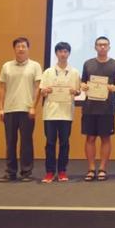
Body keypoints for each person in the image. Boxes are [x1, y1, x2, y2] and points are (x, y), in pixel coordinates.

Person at [0, 37, 42, 182]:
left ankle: (26, 172)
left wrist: (33, 107)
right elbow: (2, 88)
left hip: (27, 109)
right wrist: (1, 108)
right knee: (10, 142)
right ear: (14, 49)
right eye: (18, 46)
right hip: (9, 109)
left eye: (24, 46)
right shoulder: (6, 66)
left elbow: (38, 88)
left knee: (26, 142)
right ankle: (10, 172)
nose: (21, 49)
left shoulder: (35, 66)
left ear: (28, 49)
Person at [80, 36, 115, 182]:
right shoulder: (88, 64)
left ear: (109, 47)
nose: (102, 47)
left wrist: (114, 88)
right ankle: (91, 169)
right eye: (99, 45)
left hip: (107, 107)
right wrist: (83, 86)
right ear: (95, 47)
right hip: (89, 107)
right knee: (90, 138)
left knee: (105, 138)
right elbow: (83, 82)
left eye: (105, 45)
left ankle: (103, 168)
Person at [39, 42, 81, 183]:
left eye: (65, 51)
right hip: (50, 113)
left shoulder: (74, 72)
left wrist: (76, 92)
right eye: (60, 51)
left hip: (66, 113)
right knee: (50, 143)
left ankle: (62, 171)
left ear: (69, 53)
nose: (63, 54)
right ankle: (50, 172)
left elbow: (78, 91)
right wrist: (45, 91)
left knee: (64, 143)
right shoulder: (48, 72)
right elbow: (42, 91)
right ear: (56, 53)